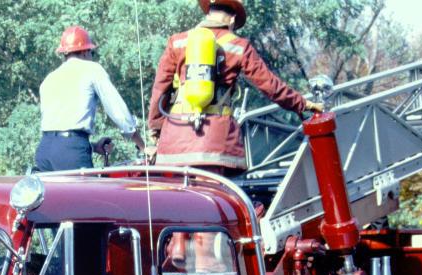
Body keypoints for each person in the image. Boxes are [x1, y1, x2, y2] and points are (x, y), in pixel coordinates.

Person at [147, 0, 323, 175]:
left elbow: (160, 88)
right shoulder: (239, 46)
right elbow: (270, 85)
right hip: (215, 145)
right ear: (232, 20)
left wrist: (155, 128)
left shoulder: (177, 41)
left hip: (174, 142)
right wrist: (302, 104)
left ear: (208, 12)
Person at [34, 26, 147, 172]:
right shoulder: (92, 69)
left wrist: (92, 147)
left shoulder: (49, 79)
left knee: (51, 195)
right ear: (85, 51)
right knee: (86, 195)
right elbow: (117, 110)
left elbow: (60, 133)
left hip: (44, 151)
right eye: (91, 52)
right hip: (71, 151)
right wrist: (142, 145)